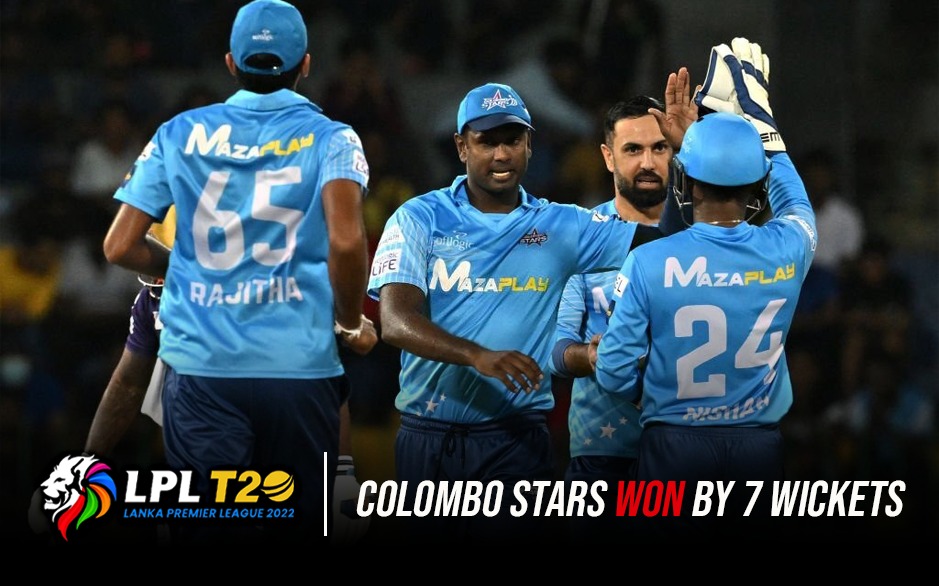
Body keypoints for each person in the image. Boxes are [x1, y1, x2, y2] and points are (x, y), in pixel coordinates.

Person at [366, 76, 695, 544]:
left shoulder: (563, 225)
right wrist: (478, 356)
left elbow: (674, 245)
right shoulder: (420, 216)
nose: (502, 154)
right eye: (487, 141)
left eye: (513, 140)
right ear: (461, 146)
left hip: (517, 442)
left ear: (529, 145)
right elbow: (396, 322)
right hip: (428, 437)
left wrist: (684, 156)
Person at [101, 0, 376, 544]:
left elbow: (119, 246)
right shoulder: (334, 137)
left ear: (230, 63)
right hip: (299, 370)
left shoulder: (178, 132)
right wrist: (349, 323)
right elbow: (347, 241)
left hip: (203, 372)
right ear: (306, 65)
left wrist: (182, 264)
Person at [594, 38, 817, 539]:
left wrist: (651, 394)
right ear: (756, 185)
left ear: (687, 181)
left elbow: (611, 371)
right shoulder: (789, 249)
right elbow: (795, 202)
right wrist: (764, 126)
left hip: (672, 447)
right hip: (757, 448)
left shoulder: (647, 261)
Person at [550, 95, 681, 542]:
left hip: (688, 451)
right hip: (602, 456)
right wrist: (591, 357)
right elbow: (555, 350)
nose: (648, 162)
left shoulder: (703, 233)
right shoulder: (580, 240)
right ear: (608, 157)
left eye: (659, 148)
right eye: (632, 149)